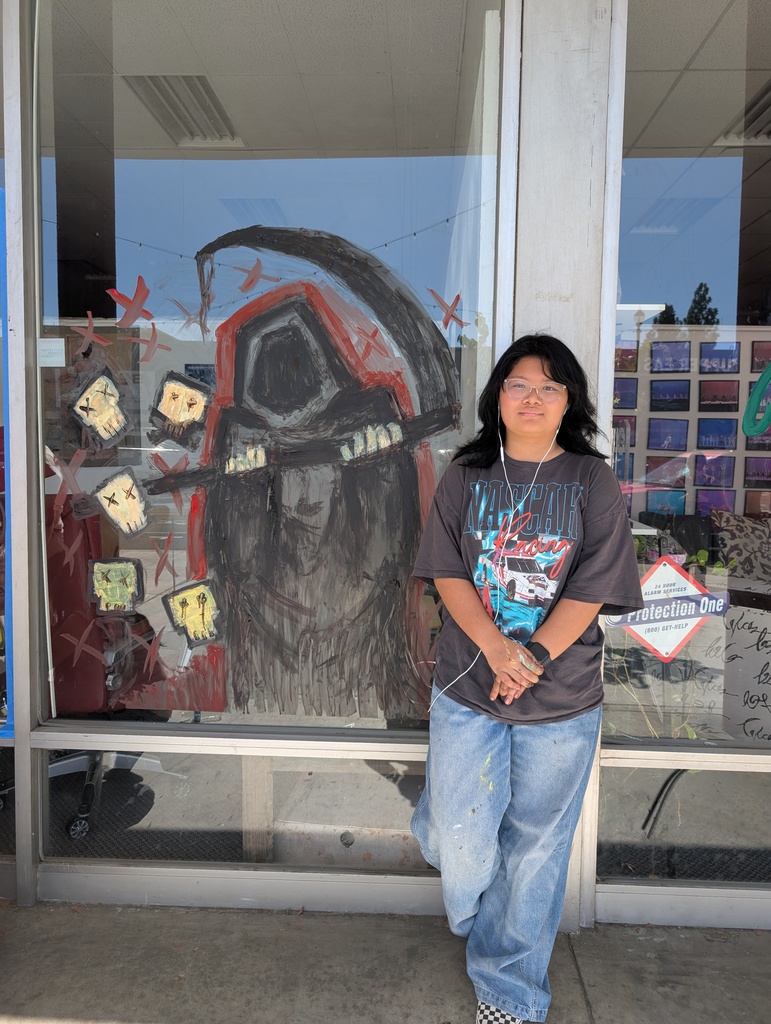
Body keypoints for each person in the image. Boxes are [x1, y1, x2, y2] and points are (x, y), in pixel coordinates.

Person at [411, 334, 643, 1024]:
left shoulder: (589, 479)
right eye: (518, 384)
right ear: (497, 398)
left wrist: (530, 659)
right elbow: (445, 571)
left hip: (561, 698)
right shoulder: (465, 473)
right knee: (456, 835)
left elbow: (594, 585)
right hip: (466, 686)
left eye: (548, 386)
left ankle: (508, 988)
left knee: (536, 846)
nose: (532, 397)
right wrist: (493, 650)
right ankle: (438, 830)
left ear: (568, 399)